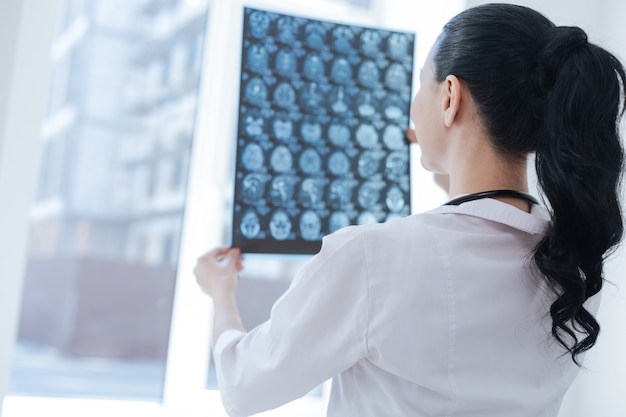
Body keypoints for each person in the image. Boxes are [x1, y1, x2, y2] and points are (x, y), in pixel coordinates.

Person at [194, 3, 626, 416]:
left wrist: (221, 293)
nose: (413, 104)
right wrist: (450, 164)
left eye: (423, 84)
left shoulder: (372, 256)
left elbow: (244, 386)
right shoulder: (571, 266)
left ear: (450, 97)